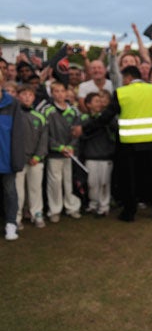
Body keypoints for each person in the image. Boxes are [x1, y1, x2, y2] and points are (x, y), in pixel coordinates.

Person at [80, 65, 152, 222]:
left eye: (124, 79)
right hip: (151, 143)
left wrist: (84, 129)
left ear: (128, 78)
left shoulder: (122, 92)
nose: (123, 81)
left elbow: (106, 117)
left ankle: (129, 213)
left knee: (129, 179)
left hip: (128, 144)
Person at [41, 81, 83, 223]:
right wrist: (59, 147)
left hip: (70, 153)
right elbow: (44, 134)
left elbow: (77, 132)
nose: (59, 94)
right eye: (56, 91)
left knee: (69, 181)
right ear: (52, 94)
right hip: (54, 153)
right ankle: (54, 210)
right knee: (55, 182)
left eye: (62, 91)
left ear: (66, 93)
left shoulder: (74, 111)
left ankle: (72, 207)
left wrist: (71, 147)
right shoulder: (47, 110)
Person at [15, 84, 48, 229]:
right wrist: (19, 156)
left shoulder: (40, 117)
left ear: (34, 98)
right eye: (24, 94)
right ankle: (16, 217)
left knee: (35, 189)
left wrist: (37, 156)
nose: (27, 97)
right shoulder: (14, 116)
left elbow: (44, 139)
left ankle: (37, 214)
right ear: (18, 97)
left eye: (30, 95)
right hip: (18, 160)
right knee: (18, 191)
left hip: (36, 161)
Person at [80, 93, 116, 217]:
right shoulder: (84, 118)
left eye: (101, 101)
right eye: (96, 101)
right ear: (88, 104)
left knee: (104, 182)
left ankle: (104, 206)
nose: (99, 103)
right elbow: (83, 134)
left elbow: (114, 130)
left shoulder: (108, 118)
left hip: (106, 155)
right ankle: (93, 204)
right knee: (92, 183)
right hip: (90, 155)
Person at [0, 75, 25, 240]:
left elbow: (18, 134)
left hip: (7, 158)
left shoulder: (13, 103)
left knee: (10, 193)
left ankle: (11, 224)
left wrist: (17, 159)